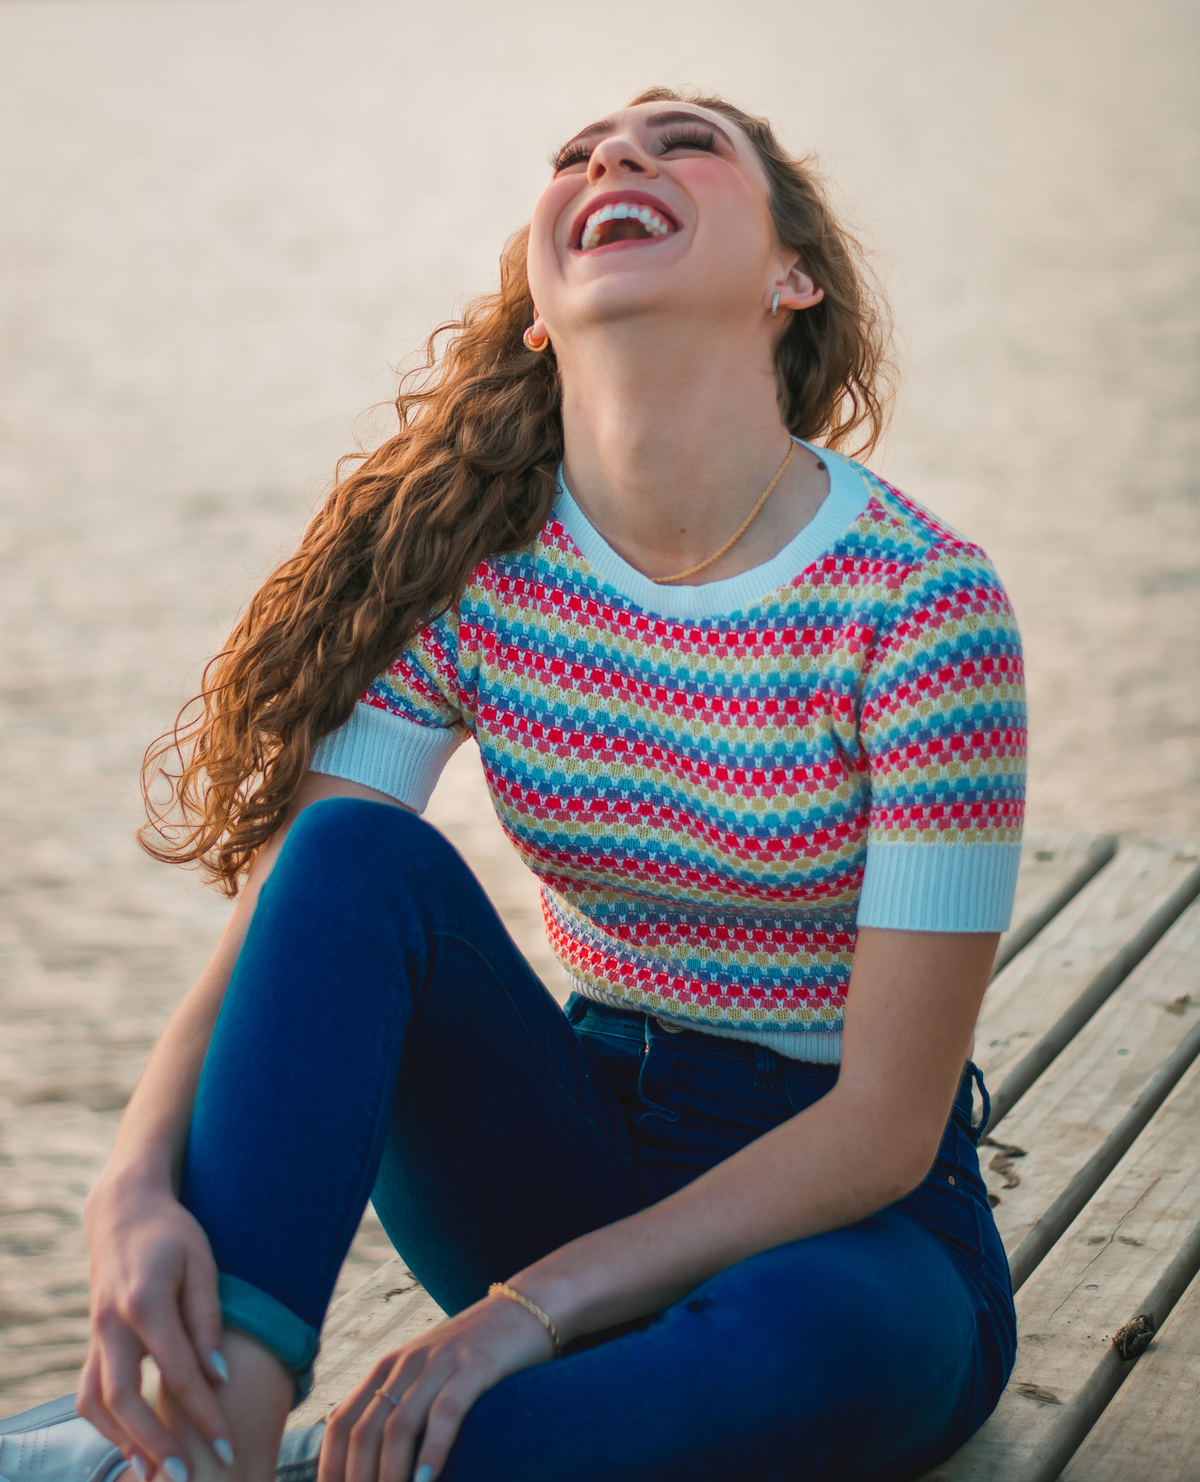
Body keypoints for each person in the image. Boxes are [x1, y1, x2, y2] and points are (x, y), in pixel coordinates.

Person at [71, 88, 1025, 1482]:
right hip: (567, 1142)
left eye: (683, 143)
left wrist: (520, 1314)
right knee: (349, 859)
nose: (615, 158)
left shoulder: (921, 608)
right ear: (537, 303)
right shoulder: (476, 573)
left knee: (709, 1374)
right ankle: (208, 1437)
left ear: (790, 279)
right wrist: (131, 1186)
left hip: (844, 1234)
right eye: (576, 155)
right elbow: (298, 921)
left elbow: (882, 1126)